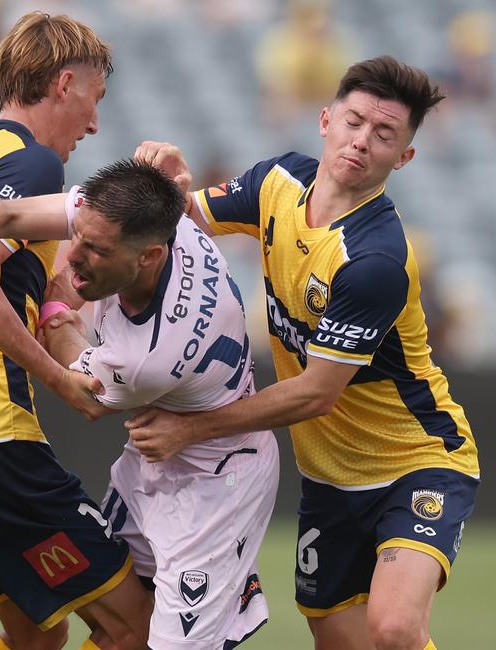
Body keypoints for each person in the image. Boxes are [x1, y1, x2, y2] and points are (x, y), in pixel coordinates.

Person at [129, 56, 480, 650]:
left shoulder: (376, 260)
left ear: (406, 157)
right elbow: (183, 221)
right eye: (355, 121)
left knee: (394, 630)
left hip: (417, 460)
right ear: (325, 120)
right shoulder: (278, 183)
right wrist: (166, 184)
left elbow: (317, 393)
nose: (363, 140)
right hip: (328, 478)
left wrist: (191, 429)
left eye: (385, 134)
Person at [0, 158, 280, 650]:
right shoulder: (151, 217)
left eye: (94, 249)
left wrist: (58, 304)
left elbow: (81, 388)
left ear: (148, 257)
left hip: (218, 482)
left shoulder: (150, 355)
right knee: (121, 629)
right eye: (76, 235)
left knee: (157, 641)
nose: (73, 253)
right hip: (154, 457)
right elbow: (6, 213)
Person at [0, 12, 152, 650]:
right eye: (93, 101)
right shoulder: (31, 163)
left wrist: (54, 300)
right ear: (65, 84)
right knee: (138, 626)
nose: (94, 124)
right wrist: (61, 380)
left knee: (37, 639)